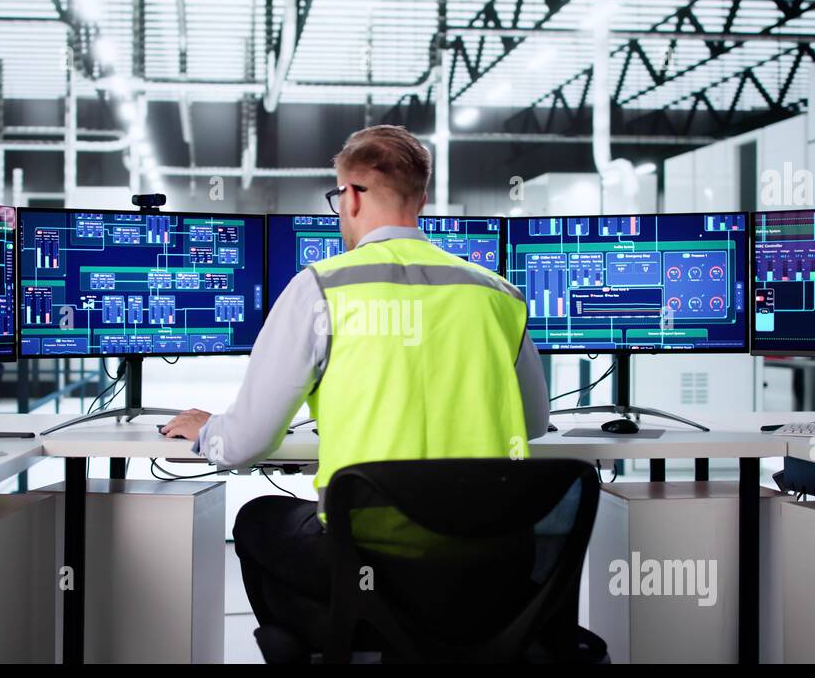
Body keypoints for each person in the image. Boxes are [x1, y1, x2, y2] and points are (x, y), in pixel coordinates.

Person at [160, 124, 549, 651]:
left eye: (337, 196)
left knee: (256, 521)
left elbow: (246, 442)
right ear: (423, 199)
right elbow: (530, 423)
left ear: (351, 194)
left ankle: (338, 640)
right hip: (487, 562)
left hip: (371, 553)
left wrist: (210, 432)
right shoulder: (497, 294)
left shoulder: (322, 287)